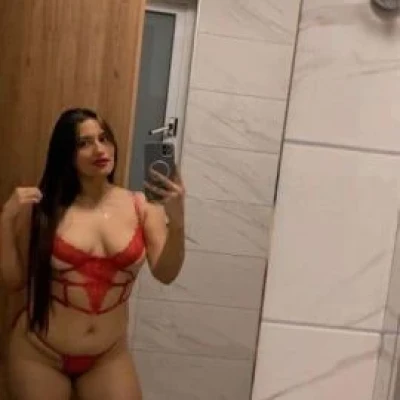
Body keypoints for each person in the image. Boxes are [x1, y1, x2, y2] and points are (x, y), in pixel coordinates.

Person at [0, 108, 185, 400]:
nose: (99, 149)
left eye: (103, 138)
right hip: (39, 352)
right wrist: (6, 219)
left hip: (107, 356)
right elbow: (14, 281)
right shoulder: (44, 208)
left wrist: (177, 221)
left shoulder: (142, 207)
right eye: (84, 143)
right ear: (67, 154)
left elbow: (166, 273)